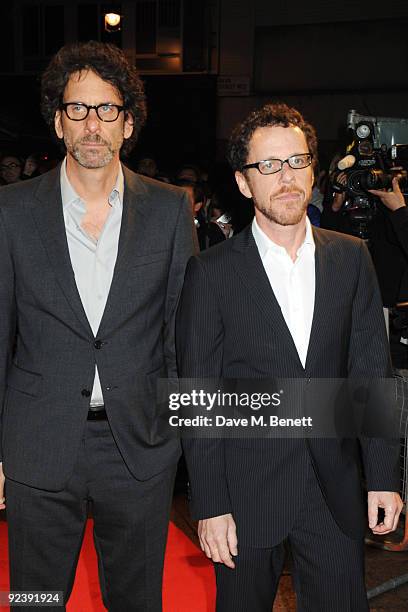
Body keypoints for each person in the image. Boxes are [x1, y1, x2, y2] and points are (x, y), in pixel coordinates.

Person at [176, 103, 402, 612]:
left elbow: (372, 370)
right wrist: (210, 504)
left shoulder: (350, 257)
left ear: (313, 169)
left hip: (334, 488)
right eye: (268, 166)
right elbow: (199, 395)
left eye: (297, 162)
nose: (286, 178)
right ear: (242, 181)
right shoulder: (210, 273)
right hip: (245, 491)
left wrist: (383, 477)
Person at [0, 41, 195, 611]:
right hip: (38, 444)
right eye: (78, 110)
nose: (93, 124)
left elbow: (179, 335)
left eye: (107, 110)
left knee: (136, 601)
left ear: (127, 123)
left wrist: (180, 435)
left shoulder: (168, 208)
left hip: (138, 447)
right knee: (36, 601)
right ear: (59, 123)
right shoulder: (11, 212)